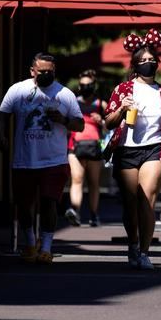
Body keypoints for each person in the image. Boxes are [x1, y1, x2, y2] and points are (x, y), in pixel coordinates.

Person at [0, 53, 84, 264]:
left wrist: (63, 120)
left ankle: (46, 248)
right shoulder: (17, 91)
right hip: (24, 159)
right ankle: (29, 243)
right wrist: (0, 135)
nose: (46, 75)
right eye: (42, 72)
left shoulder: (65, 94)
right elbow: (2, 114)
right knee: (24, 205)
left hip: (53, 160)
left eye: (50, 72)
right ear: (32, 71)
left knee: (48, 202)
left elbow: (80, 124)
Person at [103, 29, 161, 270]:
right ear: (134, 65)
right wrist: (122, 109)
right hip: (126, 149)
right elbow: (108, 123)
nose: (148, 64)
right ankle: (133, 243)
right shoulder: (123, 89)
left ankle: (145, 252)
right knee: (130, 202)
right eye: (143, 61)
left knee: (147, 199)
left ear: (158, 63)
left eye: (152, 60)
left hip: (154, 149)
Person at [65, 69, 108, 227]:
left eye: (89, 85)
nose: (86, 87)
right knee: (76, 179)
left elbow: (111, 127)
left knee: (93, 182)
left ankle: (93, 215)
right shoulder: (73, 103)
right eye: (83, 85)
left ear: (94, 85)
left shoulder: (101, 104)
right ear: (78, 86)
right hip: (75, 146)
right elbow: (66, 123)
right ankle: (74, 210)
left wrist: (101, 121)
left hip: (95, 147)